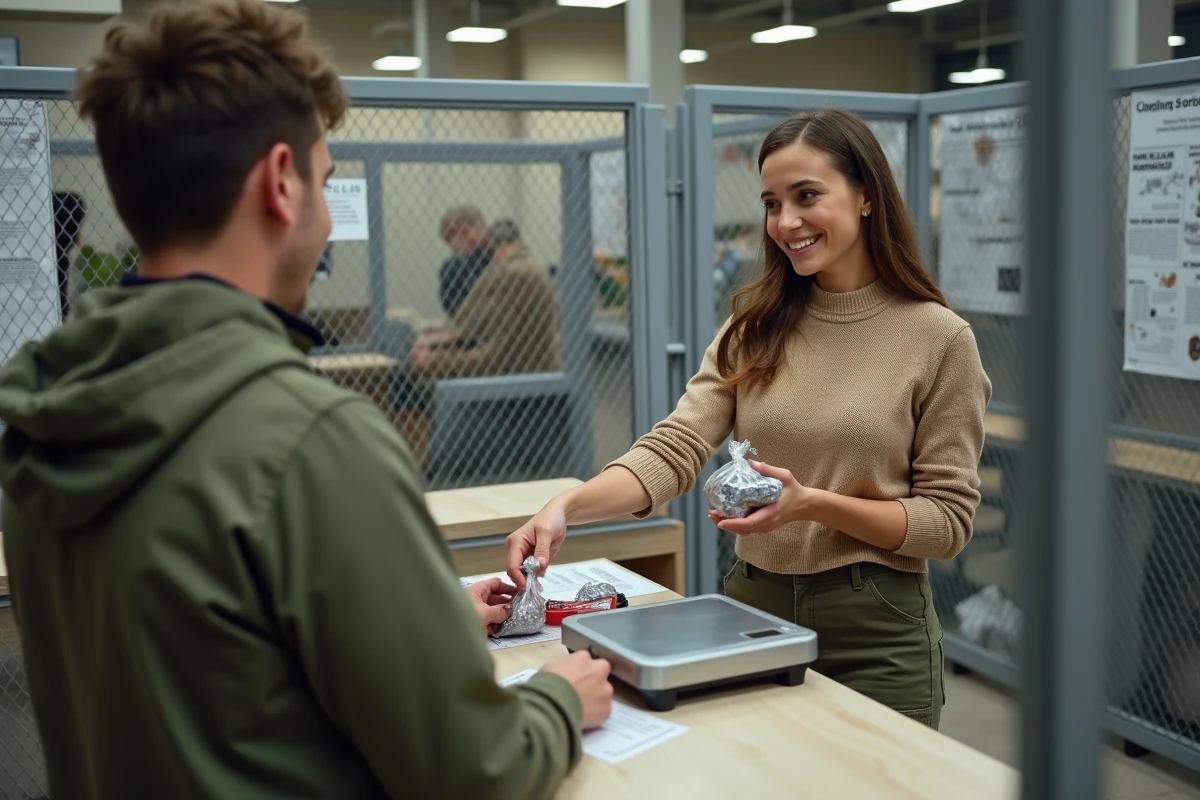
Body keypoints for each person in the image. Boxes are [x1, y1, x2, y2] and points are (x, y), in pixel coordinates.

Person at [0, 1, 611, 798]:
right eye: (325, 182)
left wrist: (416, 620)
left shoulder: (49, 415)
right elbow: (477, 771)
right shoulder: (312, 442)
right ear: (279, 181)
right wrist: (560, 699)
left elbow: (211, 672)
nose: (325, 213)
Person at [506, 107, 992, 730]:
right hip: (752, 610)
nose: (785, 222)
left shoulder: (938, 338)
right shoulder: (753, 329)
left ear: (866, 195)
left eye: (806, 196)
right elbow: (675, 447)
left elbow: (946, 523)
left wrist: (812, 504)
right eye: (771, 203)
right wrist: (566, 507)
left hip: (876, 627)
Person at [411, 219, 562, 378]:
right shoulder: (523, 269)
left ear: (491, 245)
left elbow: (499, 356)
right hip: (529, 375)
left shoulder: (513, 274)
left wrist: (435, 362)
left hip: (518, 383)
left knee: (405, 379)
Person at [437, 205, 492, 318]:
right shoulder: (452, 267)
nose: (453, 244)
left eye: (453, 234)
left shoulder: (496, 256)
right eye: (448, 239)